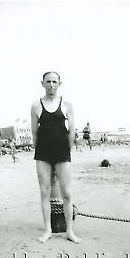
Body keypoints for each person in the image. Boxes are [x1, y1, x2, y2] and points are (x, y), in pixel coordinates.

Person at [31, 71, 81, 243]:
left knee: (66, 193)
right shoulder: (35, 106)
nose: (51, 85)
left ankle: (70, 231)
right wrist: (41, 150)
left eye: (54, 81)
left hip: (62, 152)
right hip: (43, 153)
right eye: (48, 81)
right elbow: (34, 133)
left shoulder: (67, 104)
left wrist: (67, 149)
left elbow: (72, 130)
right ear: (42, 83)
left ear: (59, 83)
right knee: (44, 192)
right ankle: (47, 230)